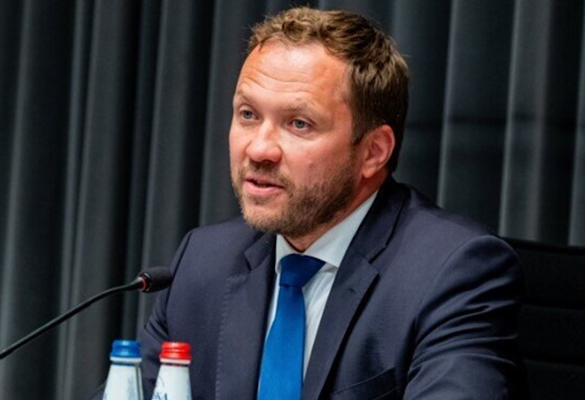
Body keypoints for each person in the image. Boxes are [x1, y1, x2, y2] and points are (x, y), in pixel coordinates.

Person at [94, 6, 524, 400]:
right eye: (248, 114)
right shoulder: (203, 263)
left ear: (374, 152)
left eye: (299, 124)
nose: (259, 149)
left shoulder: (452, 273)